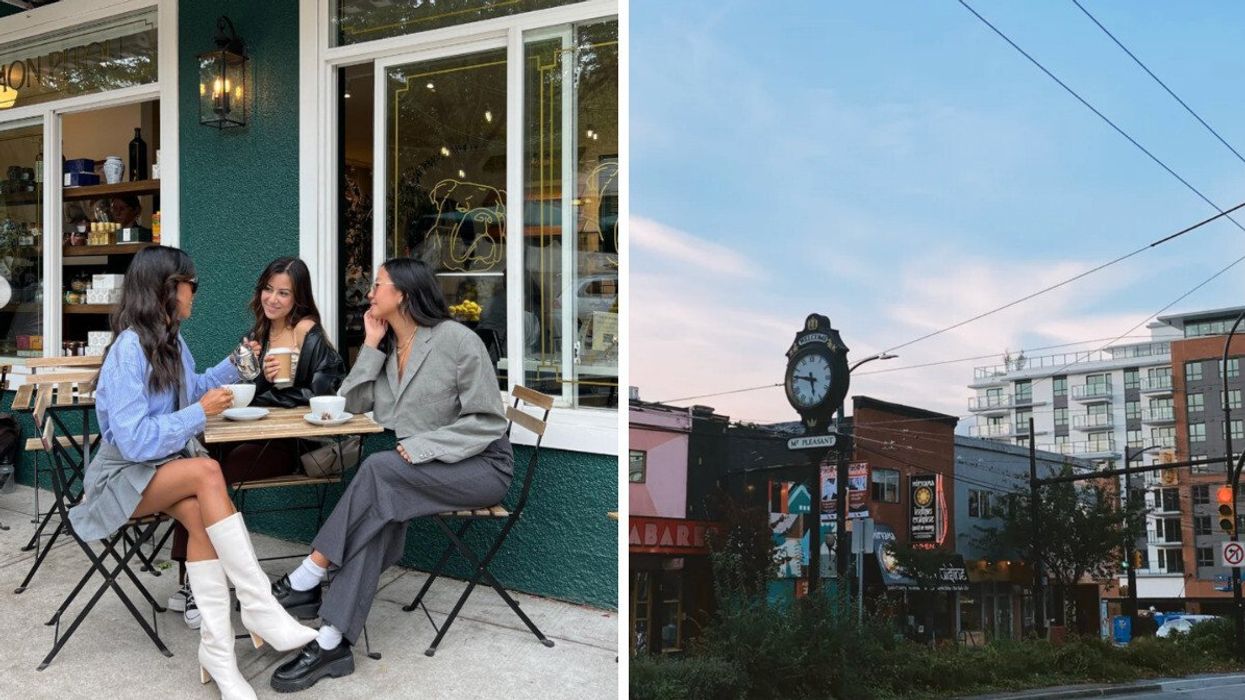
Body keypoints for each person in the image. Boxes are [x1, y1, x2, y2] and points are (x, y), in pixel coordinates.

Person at [67, 246, 315, 700]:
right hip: (119, 481)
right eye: (191, 285)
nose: (195, 293)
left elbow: (191, 390)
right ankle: (259, 605)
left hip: (158, 472)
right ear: (167, 289)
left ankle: (219, 656)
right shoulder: (128, 350)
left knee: (201, 513)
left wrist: (236, 363)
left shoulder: (171, 341)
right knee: (205, 471)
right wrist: (199, 414)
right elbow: (135, 440)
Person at [268, 258, 513, 692]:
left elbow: (489, 421)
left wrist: (421, 448)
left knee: (380, 469)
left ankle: (311, 572)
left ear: (402, 294)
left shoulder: (457, 341)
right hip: (426, 471)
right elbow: (352, 402)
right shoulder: (390, 346)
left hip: (480, 466)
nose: (369, 293)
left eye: (377, 285)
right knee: (379, 508)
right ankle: (332, 642)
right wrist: (370, 345)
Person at [166, 257, 346, 627]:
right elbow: (243, 389)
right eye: (268, 289)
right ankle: (191, 580)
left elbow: (325, 390)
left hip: (289, 446)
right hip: (246, 436)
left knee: (206, 478)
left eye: (284, 293)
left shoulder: (306, 332)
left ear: (299, 299)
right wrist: (254, 375)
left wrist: (282, 382)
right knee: (192, 473)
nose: (273, 299)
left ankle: (196, 582)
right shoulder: (259, 334)